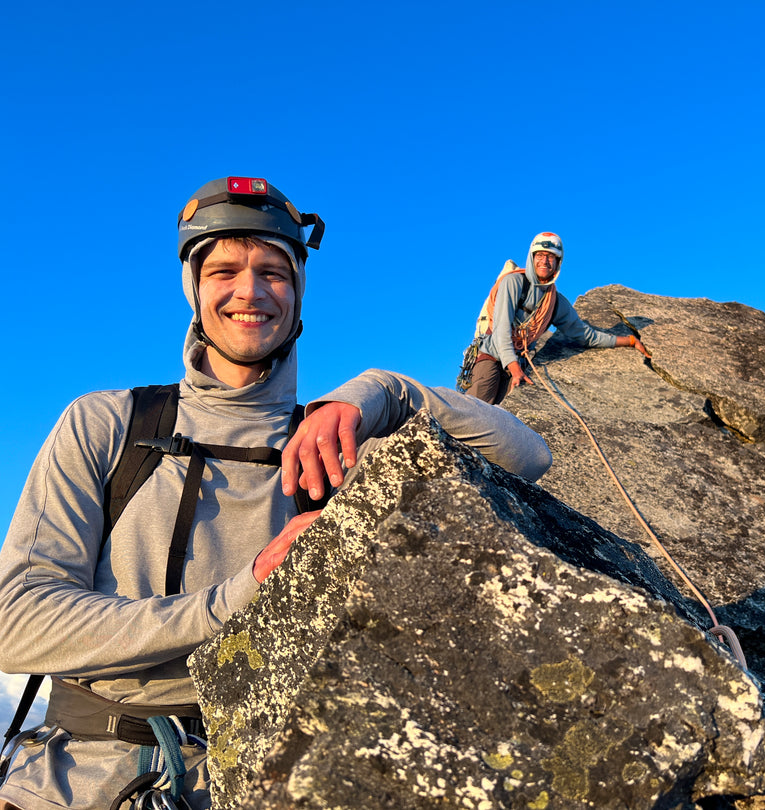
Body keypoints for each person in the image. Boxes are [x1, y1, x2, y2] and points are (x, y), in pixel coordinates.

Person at [0, 176, 551, 810]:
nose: (250, 292)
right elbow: (19, 623)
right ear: (193, 288)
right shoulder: (108, 424)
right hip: (75, 779)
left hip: (262, 772)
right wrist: (239, 595)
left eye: (275, 272)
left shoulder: (330, 444)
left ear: (298, 292)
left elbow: (528, 457)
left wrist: (385, 390)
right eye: (223, 270)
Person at [464, 232, 651, 405]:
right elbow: (502, 329)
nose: (544, 261)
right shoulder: (513, 283)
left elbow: (585, 335)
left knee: (504, 424)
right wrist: (514, 369)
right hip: (492, 355)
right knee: (478, 410)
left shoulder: (555, 303)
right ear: (531, 258)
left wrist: (630, 340)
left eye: (551, 257)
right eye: (539, 255)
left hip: (518, 363)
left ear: (558, 263)